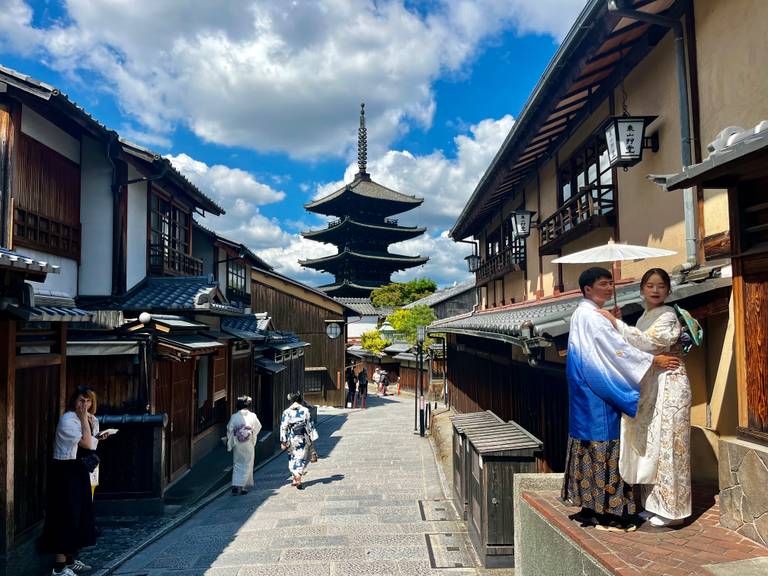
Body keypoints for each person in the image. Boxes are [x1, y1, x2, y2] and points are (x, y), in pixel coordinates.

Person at [561, 267, 680, 532]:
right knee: (606, 446)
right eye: (603, 284)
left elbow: (616, 344)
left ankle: (590, 508)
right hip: (599, 389)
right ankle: (612, 513)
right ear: (588, 289)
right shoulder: (593, 317)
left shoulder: (584, 314)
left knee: (589, 448)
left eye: (610, 283)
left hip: (585, 391)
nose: (609, 288)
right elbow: (618, 353)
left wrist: (615, 324)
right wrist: (652, 360)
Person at [597, 268, 691, 527]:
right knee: (652, 444)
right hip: (652, 385)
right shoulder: (643, 317)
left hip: (670, 383)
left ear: (668, 291)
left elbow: (649, 343)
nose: (655, 290)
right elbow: (631, 346)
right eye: (650, 285)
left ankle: (674, 511)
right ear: (641, 290)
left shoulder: (668, 315)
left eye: (661, 286)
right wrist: (617, 328)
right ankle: (653, 504)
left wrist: (617, 324)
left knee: (669, 445)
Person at [42, 386, 113, 576]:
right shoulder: (68, 420)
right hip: (65, 470)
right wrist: (83, 420)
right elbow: (87, 443)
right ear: (74, 400)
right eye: (81, 400)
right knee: (64, 514)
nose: (84, 404)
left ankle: (71, 559)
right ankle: (59, 566)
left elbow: (92, 443)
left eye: (88, 401)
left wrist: (99, 436)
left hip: (80, 470)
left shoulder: (92, 419)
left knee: (80, 514)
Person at [226, 396, 262, 495]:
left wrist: (232, 438)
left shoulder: (234, 416)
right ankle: (242, 487)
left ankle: (236, 484)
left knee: (237, 463)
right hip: (248, 442)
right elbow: (258, 427)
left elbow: (229, 428)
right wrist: (251, 433)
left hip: (238, 442)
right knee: (248, 463)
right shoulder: (253, 416)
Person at [280, 392, 316, 489]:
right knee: (301, 457)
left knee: (292, 457)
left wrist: (283, 440)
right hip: (303, 437)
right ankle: (298, 476)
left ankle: (294, 478)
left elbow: (283, 427)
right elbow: (310, 425)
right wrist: (312, 438)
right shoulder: (305, 410)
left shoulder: (286, 412)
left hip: (291, 437)